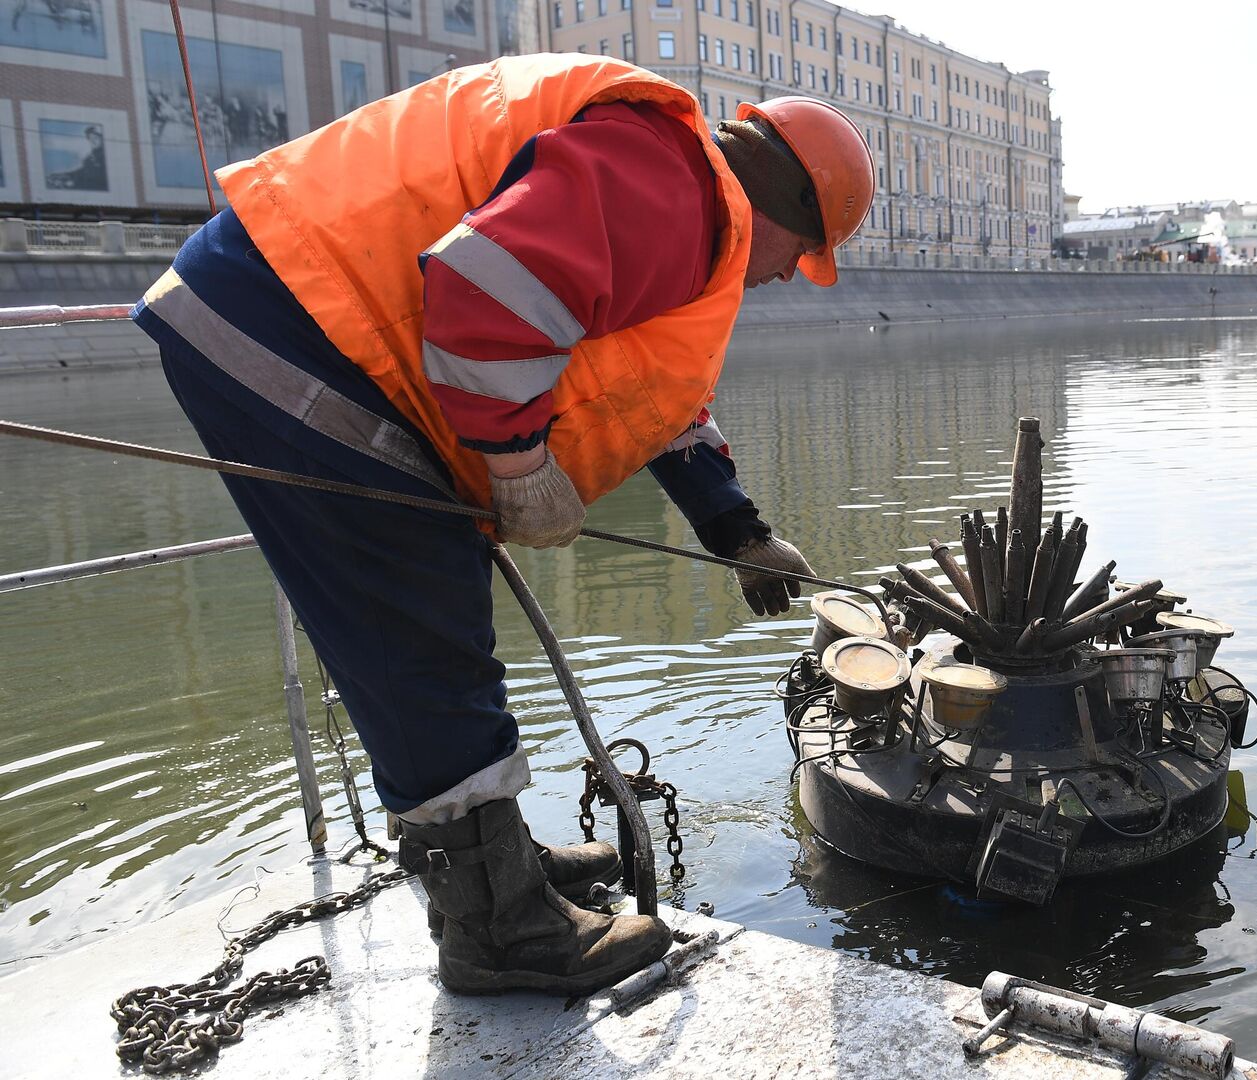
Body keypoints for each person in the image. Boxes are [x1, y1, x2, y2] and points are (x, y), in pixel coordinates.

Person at [131, 54, 873, 996]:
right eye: (795, 262)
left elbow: (648, 394)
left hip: (301, 315)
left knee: (432, 614)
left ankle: (495, 860)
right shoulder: (676, 189)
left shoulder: (681, 201)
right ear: (790, 217)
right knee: (418, 623)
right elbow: (486, 290)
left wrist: (738, 532)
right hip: (297, 326)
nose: (780, 281)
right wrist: (519, 465)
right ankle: (497, 930)